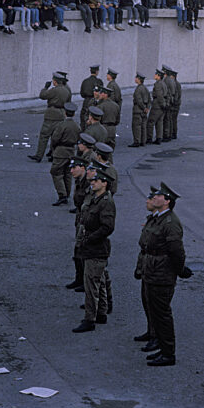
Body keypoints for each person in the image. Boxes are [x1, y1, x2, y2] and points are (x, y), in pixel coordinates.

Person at [139, 182, 192, 366]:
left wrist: (179, 270)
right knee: (155, 312)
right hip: (153, 271)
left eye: (159, 196)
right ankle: (162, 347)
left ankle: (168, 353)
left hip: (162, 274)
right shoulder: (158, 218)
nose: (154, 197)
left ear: (167, 201)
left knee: (162, 314)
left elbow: (177, 252)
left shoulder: (170, 223)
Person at [72, 166, 116, 333]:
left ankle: (90, 318)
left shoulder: (106, 202)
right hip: (91, 245)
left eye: (96, 180)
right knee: (99, 281)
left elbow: (107, 227)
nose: (93, 183)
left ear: (104, 183)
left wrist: (89, 238)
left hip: (96, 247)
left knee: (91, 284)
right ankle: (101, 312)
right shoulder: (96, 198)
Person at [134, 186, 160, 351]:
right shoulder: (152, 219)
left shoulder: (167, 223)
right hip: (147, 267)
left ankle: (158, 337)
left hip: (158, 271)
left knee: (157, 306)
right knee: (147, 301)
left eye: (151, 199)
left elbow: (175, 251)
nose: (147, 201)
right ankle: (151, 331)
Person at [28, 73, 70, 162]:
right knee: (56, 137)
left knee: (44, 135)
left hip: (51, 114)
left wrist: (45, 87)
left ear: (55, 81)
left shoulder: (54, 90)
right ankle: (54, 155)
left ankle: (39, 155)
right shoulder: (67, 90)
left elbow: (42, 95)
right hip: (61, 113)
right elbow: (68, 102)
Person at [65, 156, 90, 290]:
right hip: (80, 217)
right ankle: (79, 278)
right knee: (78, 249)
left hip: (85, 219)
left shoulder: (89, 183)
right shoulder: (79, 180)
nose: (71, 171)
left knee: (83, 249)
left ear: (83, 168)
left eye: (74, 168)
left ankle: (85, 281)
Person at [50, 102, 81, 206]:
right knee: (68, 173)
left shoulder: (62, 125)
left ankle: (62, 195)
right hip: (71, 151)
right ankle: (67, 194)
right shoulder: (77, 126)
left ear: (65, 113)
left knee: (56, 172)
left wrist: (53, 148)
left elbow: (55, 139)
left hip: (60, 151)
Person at [129, 72, 151, 148]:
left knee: (136, 126)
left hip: (138, 110)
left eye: (136, 78)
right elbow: (149, 99)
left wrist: (143, 108)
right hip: (144, 110)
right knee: (143, 126)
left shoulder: (138, 89)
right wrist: (147, 108)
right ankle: (143, 141)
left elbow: (139, 100)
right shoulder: (145, 88)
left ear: (138, 79)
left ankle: (137, 141)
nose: (135, 79)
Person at [147, 69, 168, 145]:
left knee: (150, 121)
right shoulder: (163, 83)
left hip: (157, 105)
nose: (154, 75)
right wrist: (164, 105)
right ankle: (159, 138)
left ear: (159, 76)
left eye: (156, 74)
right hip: (162, 104)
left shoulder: (158, 84)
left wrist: (162, 104)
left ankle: (149, 138)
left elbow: (159, 96)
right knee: (159, 122)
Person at [79, 65, 103, 130]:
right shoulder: (99, 82)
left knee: (84, 119)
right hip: (95, 101)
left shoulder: (85, 81)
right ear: (97, 72)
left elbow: (82, 94)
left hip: (86, 101)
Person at [97, 86, 120, 151]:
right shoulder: (116, 106)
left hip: (103, 128)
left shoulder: (101, 106)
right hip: (112, 129)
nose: (100, 94)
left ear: (105, 94)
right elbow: (117, 120)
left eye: (101, 93)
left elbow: (98, 119)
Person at [162, 65, 176, 142]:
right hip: (171, 101)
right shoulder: (171, 80)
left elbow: (166, 92)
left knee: (166, 119)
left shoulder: (166, 80)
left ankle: (166, 135)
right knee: (169, 119)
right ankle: (169, 134)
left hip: (168, 101)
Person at [171, 69, 182, 139]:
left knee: (173, 120)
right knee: (173, 120)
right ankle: (173, 133)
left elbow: (177, 95)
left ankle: (174, 133)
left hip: (175, 105)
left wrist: (174, 103)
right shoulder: (175, 83)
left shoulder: (176, 84)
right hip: (176, 104)